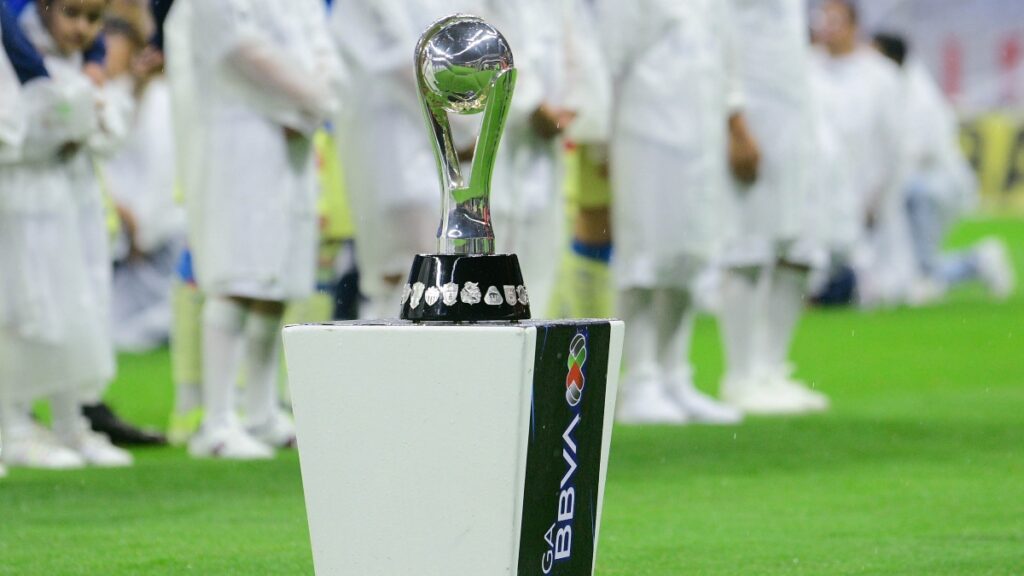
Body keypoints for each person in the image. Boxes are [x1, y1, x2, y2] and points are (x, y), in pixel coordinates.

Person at [166, 0, 342, 459]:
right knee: (236, 270)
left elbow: (319, 39)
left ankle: (260, 411)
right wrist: (307, 99)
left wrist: (316, 97)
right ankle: (217, 419)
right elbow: (233, 49)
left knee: (276, 276)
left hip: (295, 133)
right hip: (238, 132)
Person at [598, 0, 749, 425]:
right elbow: (611, 61)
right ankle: (639, 381)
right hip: (646, 132)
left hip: (701, 136)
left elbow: (726, 58)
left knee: (688, 256)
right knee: (644, 258)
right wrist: (602, 139)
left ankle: (673, 375)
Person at [1, 0, 135, 469]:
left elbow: (111, 131)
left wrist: (91, 118)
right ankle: (14, 425)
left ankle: (70, 421)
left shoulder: (83, 65)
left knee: (77, 309)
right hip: (23, 199)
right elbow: (13, 132)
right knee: (26, 310)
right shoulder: (16, 51)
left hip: (73, 203)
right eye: (72, 14)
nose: (82, 28)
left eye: (93, 18)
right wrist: (57, 128)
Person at [716, 0, 829, 415]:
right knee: (746, 246)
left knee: (798, 245)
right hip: (753, 117)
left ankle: (771, 369)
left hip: (796, 115)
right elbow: (720, 32)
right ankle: (741, 376)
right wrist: (734, 119)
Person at [330, 0, 462, 320]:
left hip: (434, 139)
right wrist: (461, 129)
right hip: (390, 143)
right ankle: (382, 367)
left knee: (438, 275)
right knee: (405, 273)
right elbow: (399, 62)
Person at [873, 33, 1016, 304]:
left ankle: (978, 261)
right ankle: (980, 260)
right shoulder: (903, 89)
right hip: (924, 188)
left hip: (932, 189)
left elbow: (914, 153)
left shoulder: (918, 99)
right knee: (912, 268)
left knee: (920, 272)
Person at [812, 0, 911, 308]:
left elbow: (894, 142)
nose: (827, 27)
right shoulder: (805, 69)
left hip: (866, 184)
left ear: (855, 27)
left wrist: (881, 193)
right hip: (817, 190)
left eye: (836, 20)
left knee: (878, 277)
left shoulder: (880, 76)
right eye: (823, 19)